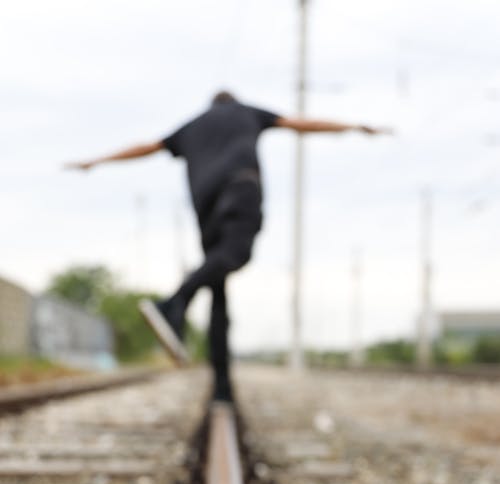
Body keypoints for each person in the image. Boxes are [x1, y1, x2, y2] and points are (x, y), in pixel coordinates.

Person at [67, 91, 389, 401]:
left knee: (218, 293)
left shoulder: (192, 125)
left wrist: (97, 161)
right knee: (237, 255)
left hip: (206, 214)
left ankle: (222, 386)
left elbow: (147, 147)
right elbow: (301, 124)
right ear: (232, 102)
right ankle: (173, 303)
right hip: (239, 188)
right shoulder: (245, 112)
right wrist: (353, 126)